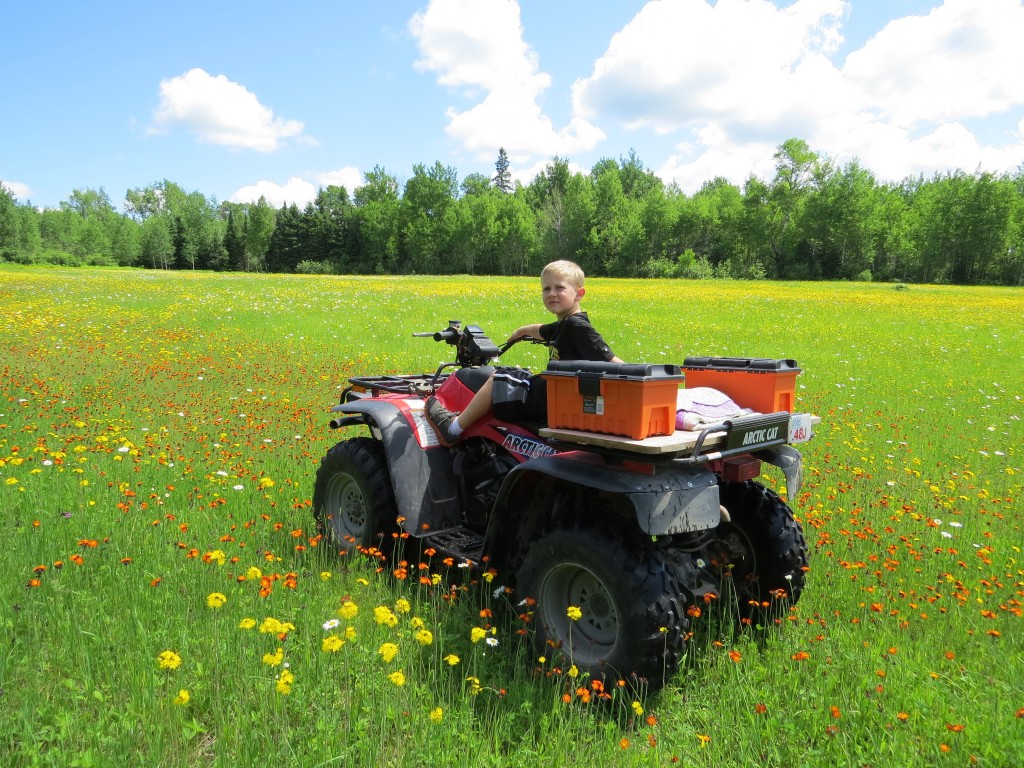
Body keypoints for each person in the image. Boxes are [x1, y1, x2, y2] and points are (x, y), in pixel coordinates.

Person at [425, 259, 623, 445]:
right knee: (520, 375)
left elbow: (611, 360)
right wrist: (520, 332)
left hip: (551, 397)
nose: (552, 293)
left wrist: (645, 379)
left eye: (559, 287)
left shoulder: (576, 326)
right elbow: (542, 330)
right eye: (546, 288)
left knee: (497, 378)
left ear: (579, 294)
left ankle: (452, 428)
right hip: (558, 394)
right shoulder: (565, 323)